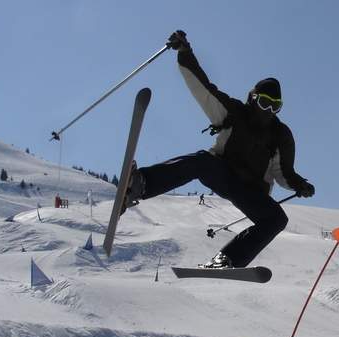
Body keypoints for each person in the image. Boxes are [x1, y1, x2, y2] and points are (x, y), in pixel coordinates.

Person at [124, 30, 315, 269]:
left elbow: (284, 172)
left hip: (252, 191)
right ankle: (140, 185)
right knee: (201, 161)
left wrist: (300, 184)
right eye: (265, 103)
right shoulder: (234, 113)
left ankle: (228, 260)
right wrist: (185, 53)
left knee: (276, 219)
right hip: (224, 173)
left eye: (275, 107)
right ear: (253, 98)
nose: (268, 111)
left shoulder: (281, 135)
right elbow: (204, 90)